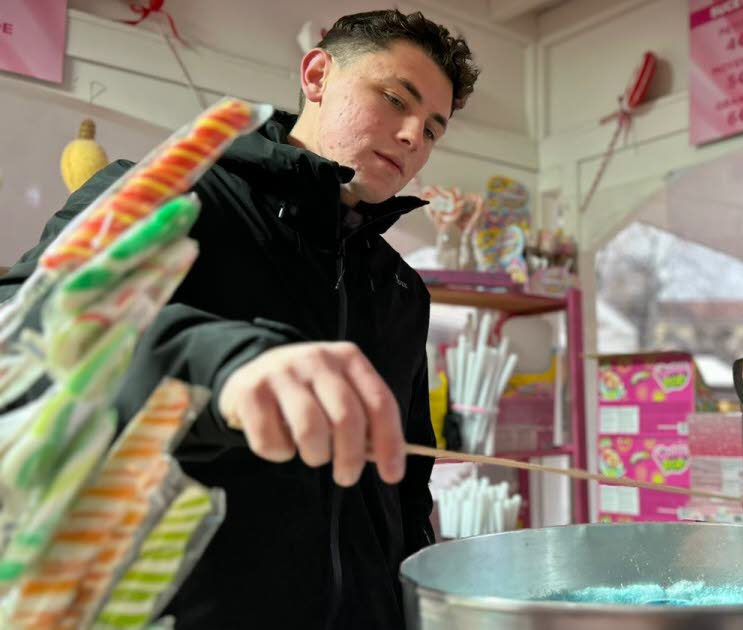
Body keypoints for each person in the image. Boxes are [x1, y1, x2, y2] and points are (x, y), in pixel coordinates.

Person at [0, 10, 478, 629]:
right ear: (316, 74)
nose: (414, 136)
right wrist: (221, 365)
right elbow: (18, 333)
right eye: (393, 98)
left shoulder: (400, 288)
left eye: (434, 129)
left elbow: (406, 487)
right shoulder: (168, 194)